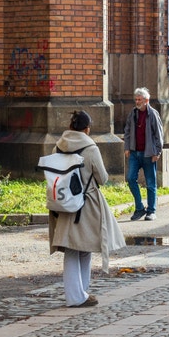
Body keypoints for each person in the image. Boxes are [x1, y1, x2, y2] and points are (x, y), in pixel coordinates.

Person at [50, 110, 125, 307]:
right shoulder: (90, 148)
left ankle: (81, 293)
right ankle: (76, 296)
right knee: (82, 248)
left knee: (73, 247)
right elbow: (103, 177)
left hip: (64, 201)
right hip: (86, 202)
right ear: (87, 129)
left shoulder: (58, 147)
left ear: (70, 127)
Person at [122, 87, 164, 221]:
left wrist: (157, 151)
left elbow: (159, 134)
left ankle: (151, 211)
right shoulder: (133, 113)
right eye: (136, 99)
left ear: (146, 100)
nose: (137, 102)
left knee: (151, 183)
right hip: (135, 152)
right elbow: (127, 131)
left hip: (148, 153)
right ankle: (139, 208)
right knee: (130, 178)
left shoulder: (153, 114)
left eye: (139, 99)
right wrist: (127, 147)